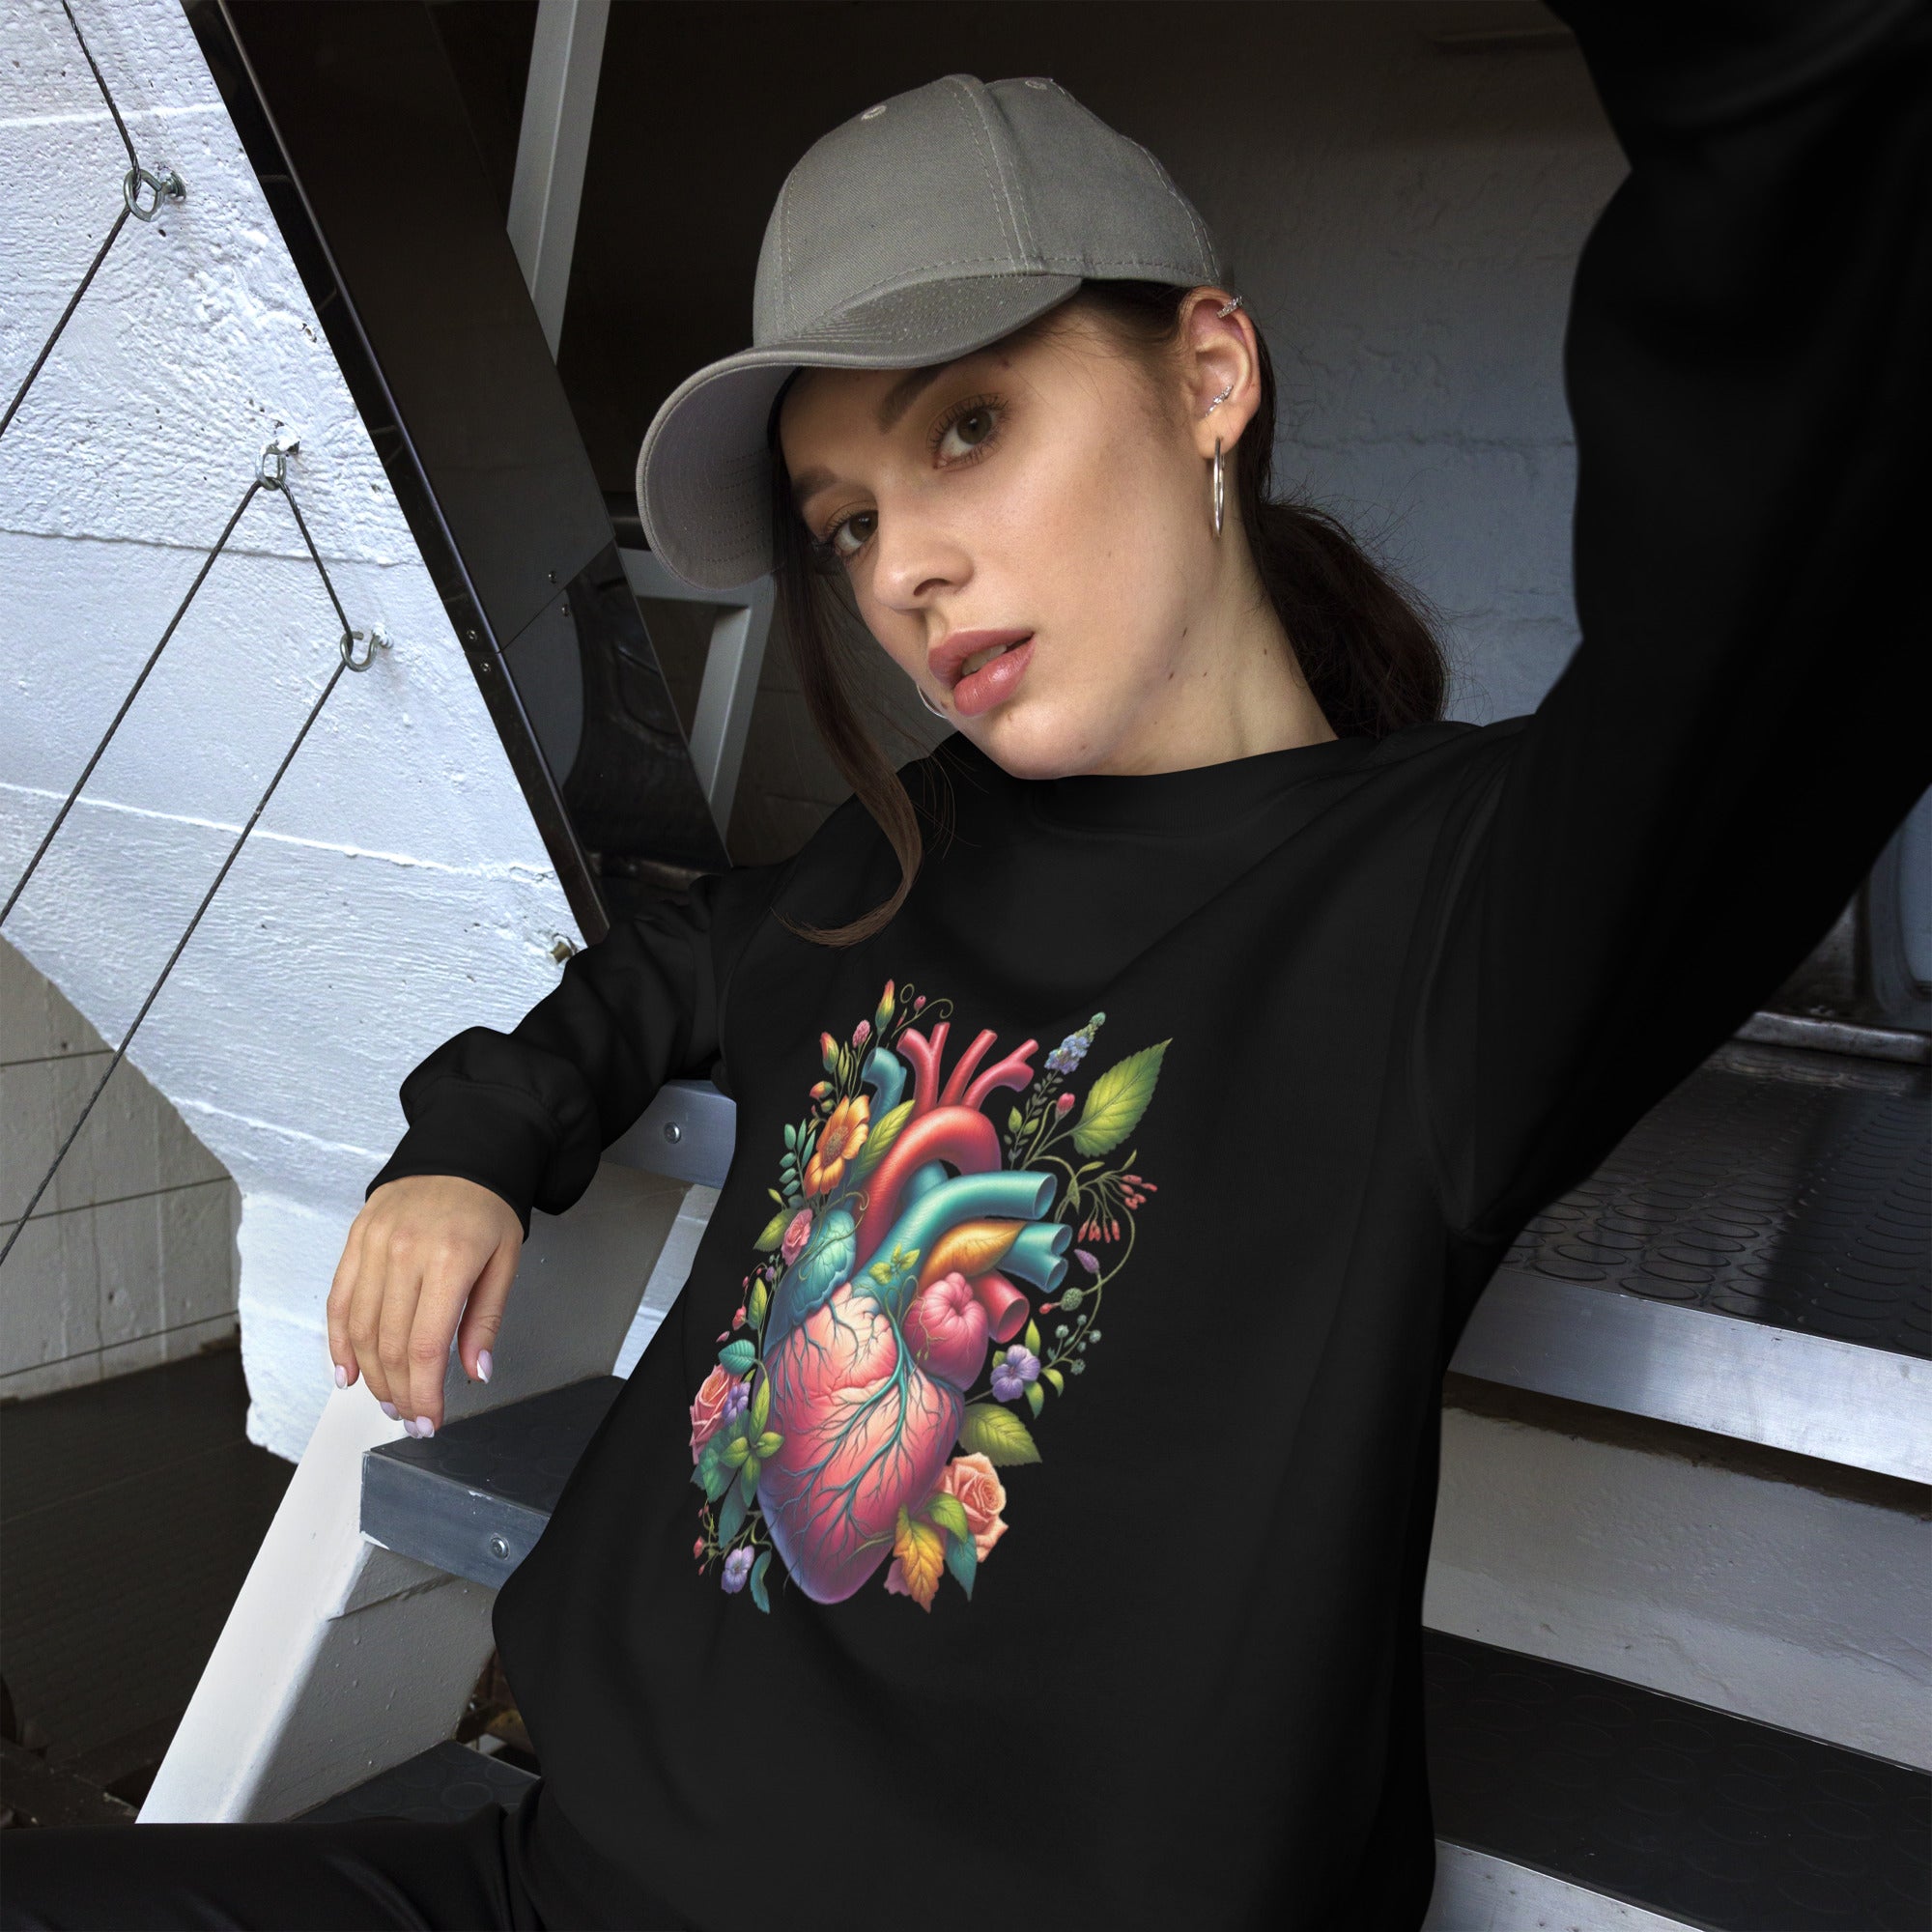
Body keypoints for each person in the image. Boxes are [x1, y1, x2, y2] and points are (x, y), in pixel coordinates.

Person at [6, 0, 1927, 1925]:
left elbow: (1788, 491)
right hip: (559, 1878)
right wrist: (469, 1144)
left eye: (969, 428)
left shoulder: (1453, 910)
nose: (901, 568)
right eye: (846, 520)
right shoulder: (902, 852)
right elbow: (664, 960)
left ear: (1209, 376)